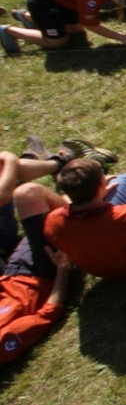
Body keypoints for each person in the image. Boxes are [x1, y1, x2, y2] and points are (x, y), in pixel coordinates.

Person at [0, 151, 74, 364]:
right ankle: (84, 198)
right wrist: (62, 272)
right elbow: (48, 314)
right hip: (40, 272)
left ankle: (53, 166)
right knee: (29, 195)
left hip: (11, 273)